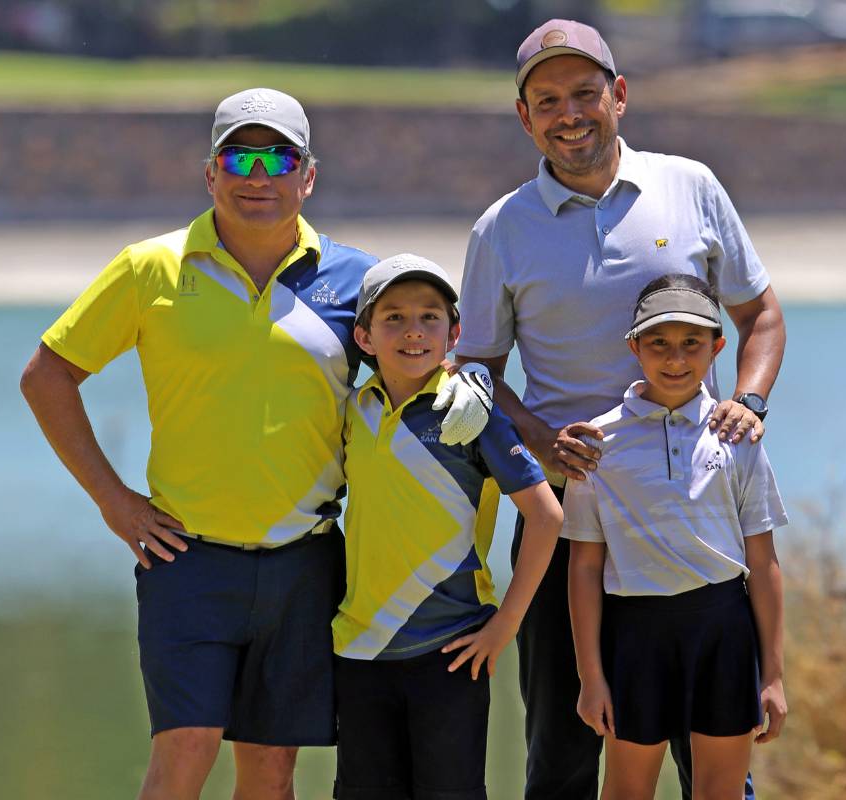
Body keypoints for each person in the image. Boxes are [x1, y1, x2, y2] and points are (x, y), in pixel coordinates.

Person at [19, 90, 491, 800]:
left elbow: (415, 358)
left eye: (280, 158)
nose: (258, 176)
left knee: (270, 772)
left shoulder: (353, 282)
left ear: (308, 176)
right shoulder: (151, 270)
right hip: (185, 558)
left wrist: (469, 382)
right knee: (185, 750)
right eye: (240, 156)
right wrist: (114, 502)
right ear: (210, 172)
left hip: (306, 561)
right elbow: (47, 376)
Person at [455, 18, 787, 800]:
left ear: (620, 95)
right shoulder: (500, 230)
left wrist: (749, 401)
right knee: (568, 751)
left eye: (584, 93)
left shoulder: (691, 185)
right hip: (567, 515)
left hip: (693, 507)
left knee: (712, 760)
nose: (569, 113)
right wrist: (538, 437)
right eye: (547, 100)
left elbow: (761, 316)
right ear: (524, 116)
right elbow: (474, 369)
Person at [330, 254, 563, 800]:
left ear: (454, 332)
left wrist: (506, 625)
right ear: (363, 336)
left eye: (430, 318)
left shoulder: (470, 409)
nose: (413, 331)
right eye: (393, 319)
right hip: (359, 651)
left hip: (451, 650)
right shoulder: (353, 410)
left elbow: (546, 515)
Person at [565, 274, 788, 800]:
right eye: (659, 343)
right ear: (633, 347)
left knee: (720, 792)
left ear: (717, 347)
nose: (676, 359)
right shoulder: (597, 442)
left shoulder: (737, 436)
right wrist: (591, 677)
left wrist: (773, 675)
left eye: (692, 344)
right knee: (625, 791)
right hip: (636, 634)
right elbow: (585, 568)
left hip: (723, 633)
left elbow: (763, 561)